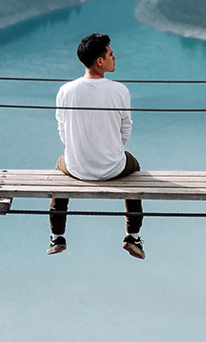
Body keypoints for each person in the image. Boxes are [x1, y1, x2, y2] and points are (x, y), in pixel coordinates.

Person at [48, 33, 145, 259]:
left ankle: (57, 237)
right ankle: (133, 236)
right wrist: (109, 149)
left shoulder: (65, 91)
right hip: (113, 168)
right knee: (134, 165)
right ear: (100, 61)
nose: (115, 57)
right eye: (111, 54)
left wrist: (81, 150)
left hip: (76, 169)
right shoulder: (120, 91)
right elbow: (125, 130)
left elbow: (63, 131)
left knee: (59, 168)